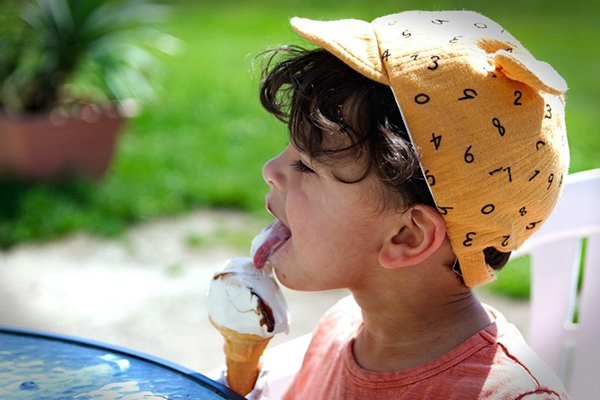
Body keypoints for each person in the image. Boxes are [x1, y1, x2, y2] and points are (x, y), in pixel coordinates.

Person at [257, 10, 571, 400]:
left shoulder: (505, 396)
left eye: (306, 166)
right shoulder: (341, 328)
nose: (271, 170)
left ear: (407, 236)